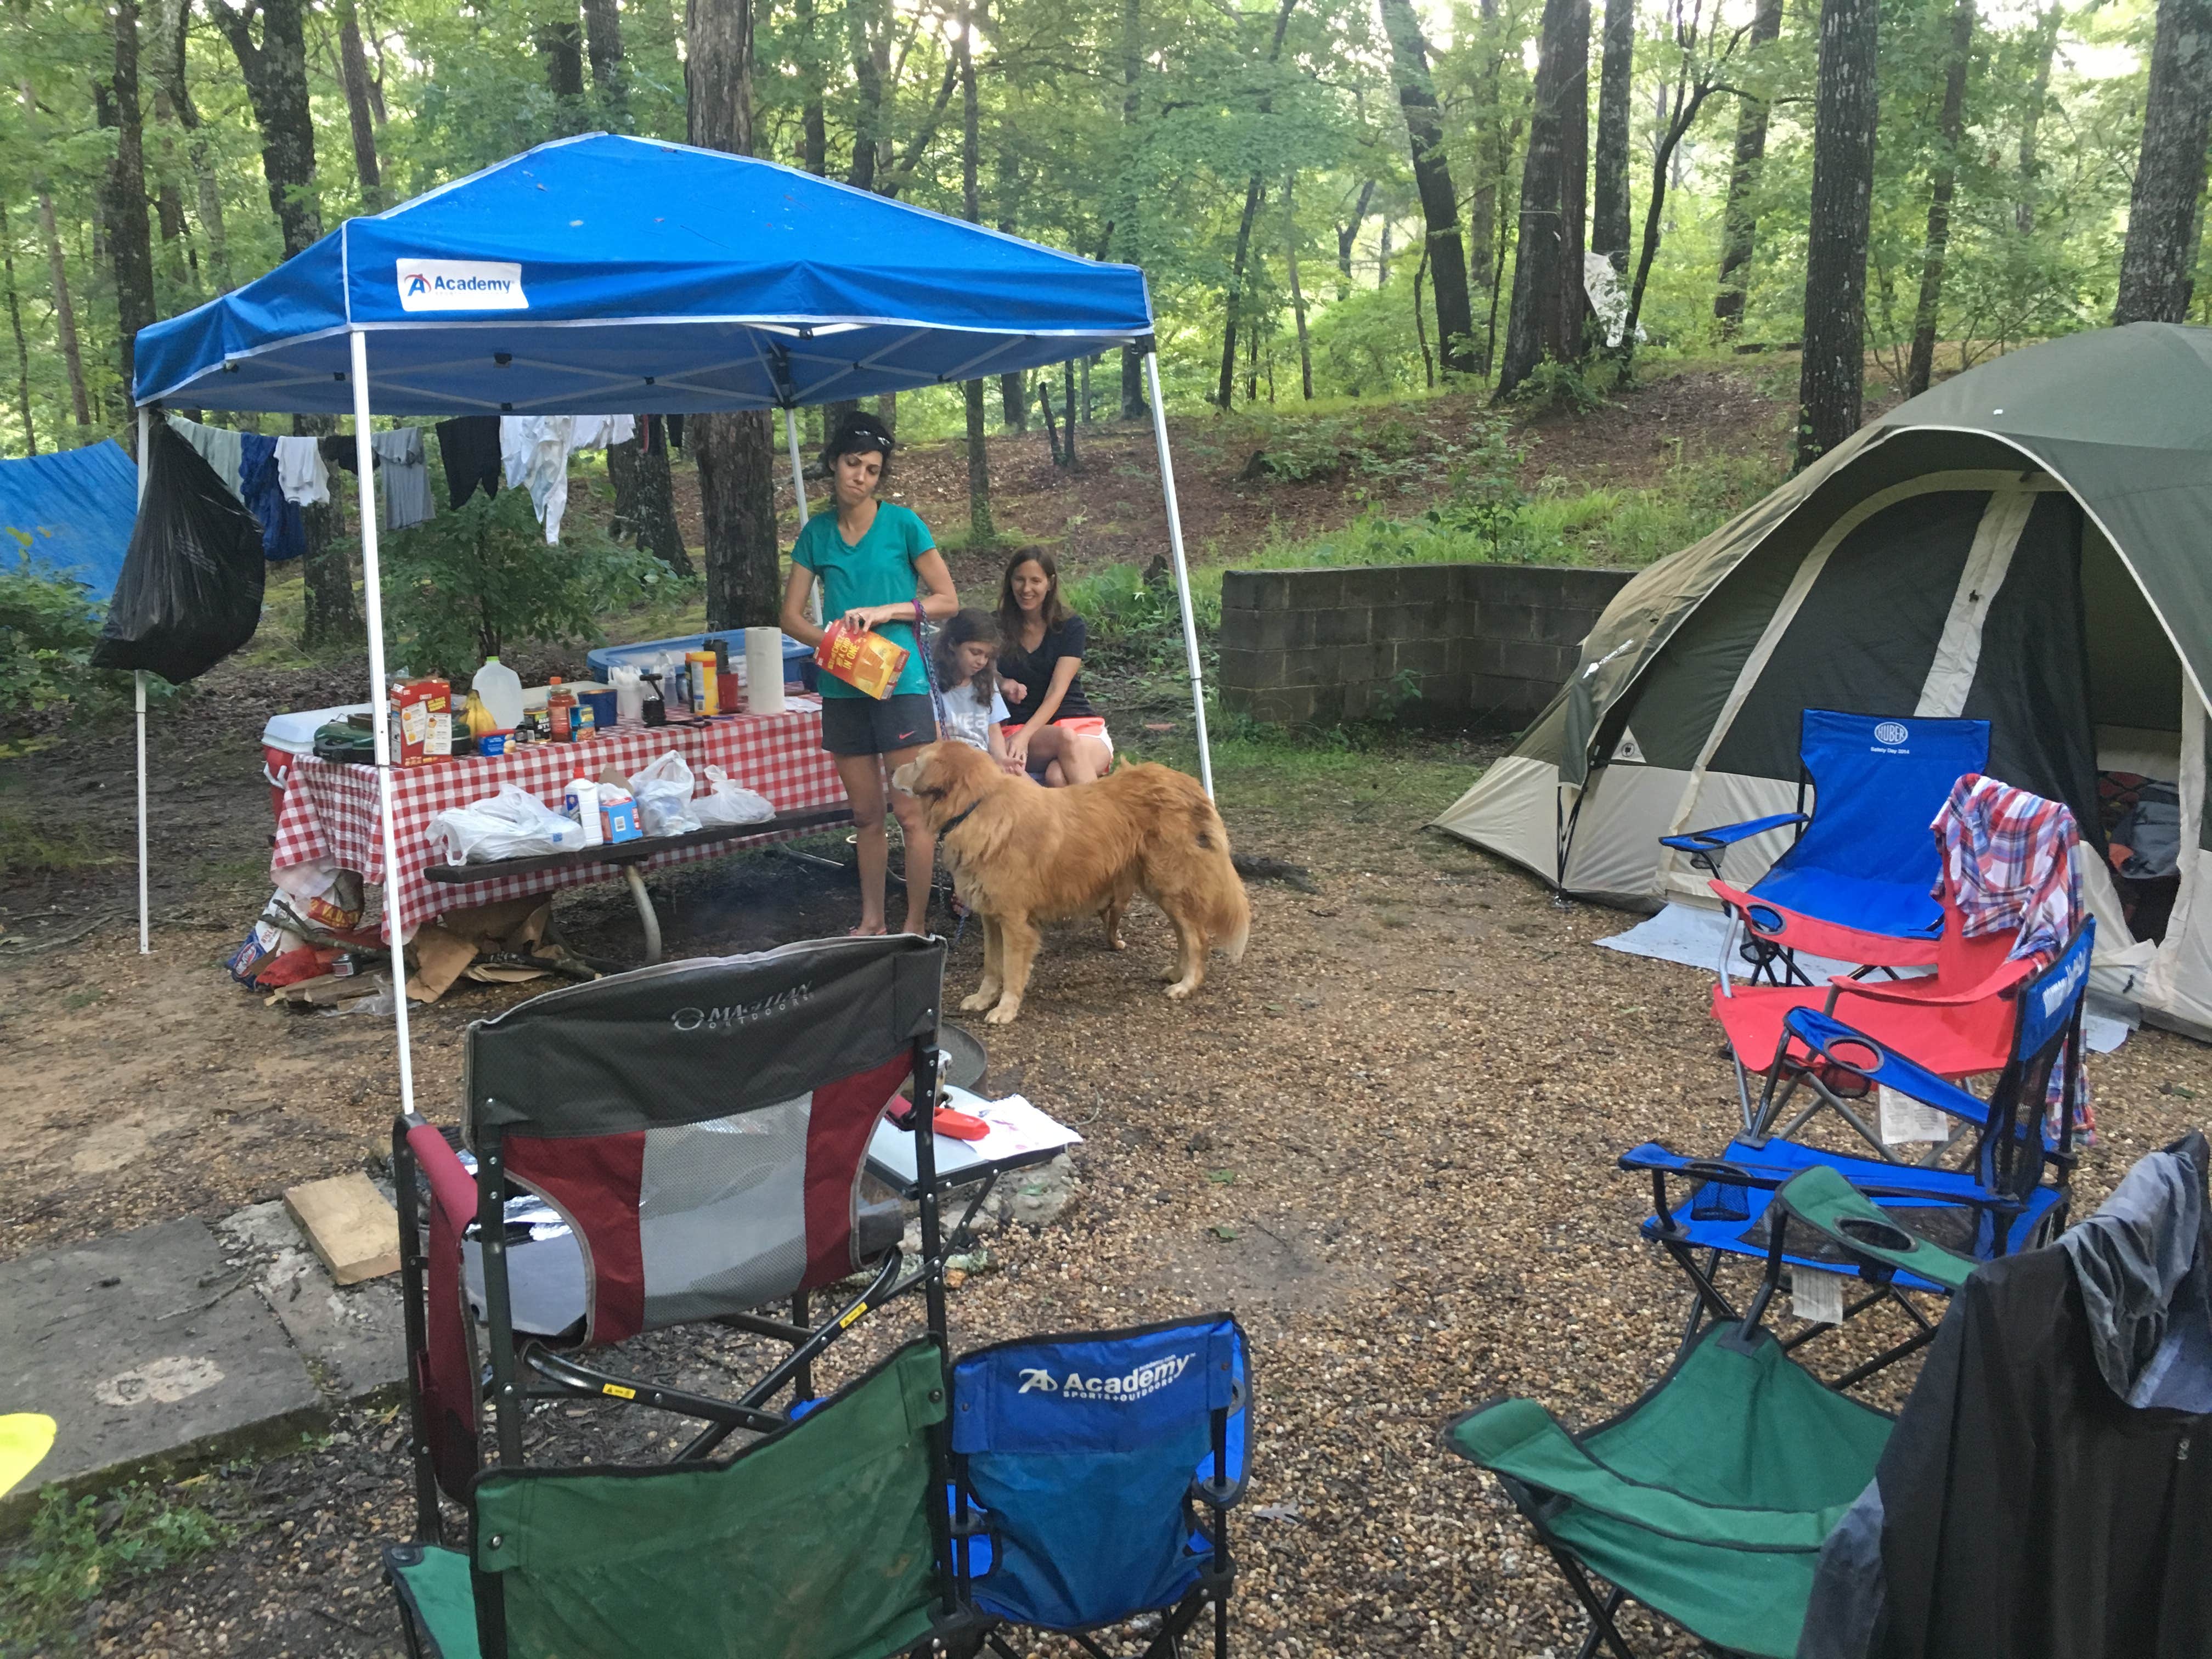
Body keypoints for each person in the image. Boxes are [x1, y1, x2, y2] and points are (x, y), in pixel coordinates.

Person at [780, 413, 958, 935]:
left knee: (912, 813)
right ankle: (872, 920)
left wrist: (887, 612)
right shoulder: (816, 534)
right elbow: (791, 616)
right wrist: (838, 646)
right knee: (865, 816)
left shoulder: (904, 525)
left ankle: (916, 922)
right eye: (853, 463)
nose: (860, 476)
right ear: (833, 463)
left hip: (900, 685)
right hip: (844, 687)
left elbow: (947, 601)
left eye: (873, 469)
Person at [996, 550, 1113, 786]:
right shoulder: (994, 626)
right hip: (1020, 728)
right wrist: (1002, 682)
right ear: (1010, 581)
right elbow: (977, 667)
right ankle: (1107, 820)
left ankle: (1098, 821)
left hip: (1079, 725)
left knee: (1057, 776)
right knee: (1064, 739)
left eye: (1036, 581)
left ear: (1050, 583)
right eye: (1020, 579)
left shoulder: (1070, 626)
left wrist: (1024, 737)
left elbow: (1057, 691)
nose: (1026, 589)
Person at [932, 608, 1022, 773]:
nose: (982, 662)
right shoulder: (931, 684)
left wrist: (1001, 758)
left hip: (986, 762)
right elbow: (937, 741)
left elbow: (993, 731)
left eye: (987, 656)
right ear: (952, 644)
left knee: (1028, 790)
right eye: (975, 653)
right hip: (954, 766)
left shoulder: (986, 681)